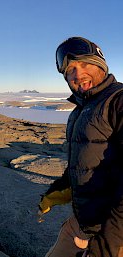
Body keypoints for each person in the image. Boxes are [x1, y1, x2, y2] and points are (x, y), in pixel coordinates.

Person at [38, 37, 123, 257]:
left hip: (114, 234)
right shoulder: (81, 109)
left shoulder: (118, 101)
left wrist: (106, 246)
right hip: (83, 224)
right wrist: (61, 188)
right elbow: (85, 160)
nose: (77, 75)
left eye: (85, 64)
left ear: (101, 64)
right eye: (70, 70)